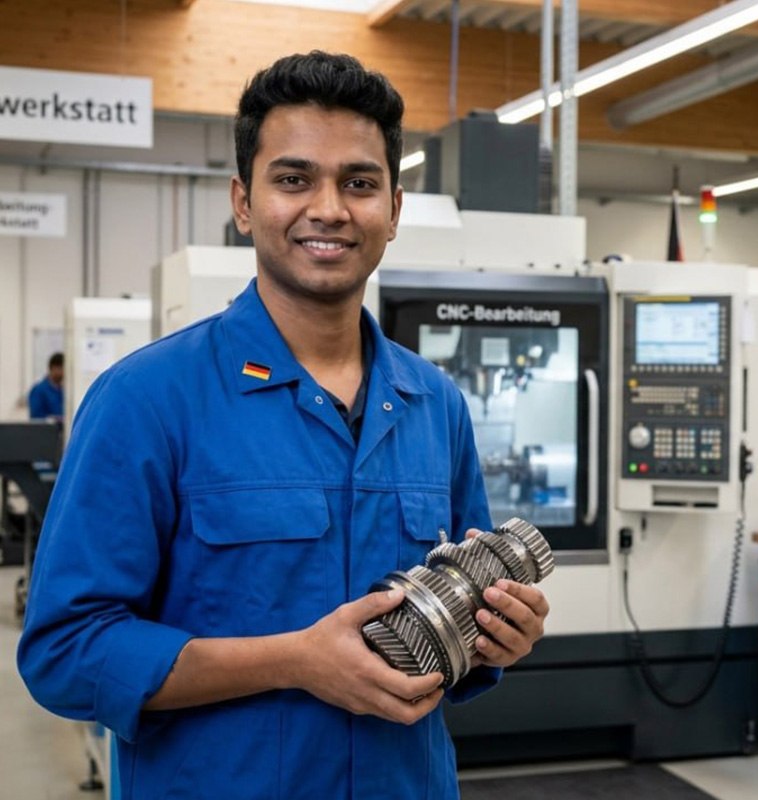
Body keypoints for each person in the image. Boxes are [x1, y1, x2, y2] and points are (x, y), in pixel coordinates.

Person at [17, 51, 550, 800]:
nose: (328, 208)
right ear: (244, 202)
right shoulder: (146, 400)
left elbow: (454, 613)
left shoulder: (435, 403)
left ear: (394, 210)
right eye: (294, 179)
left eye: (359, 183)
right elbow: (66, 652)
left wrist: (494, 635)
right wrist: (293, 661)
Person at [27, 351, 63, 421]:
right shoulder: (38, 390)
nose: (63, 372)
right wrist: (55, 419)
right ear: (52, 368)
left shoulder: (62, 391)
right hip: (46, 427)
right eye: (60, 368)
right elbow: (36, 418)